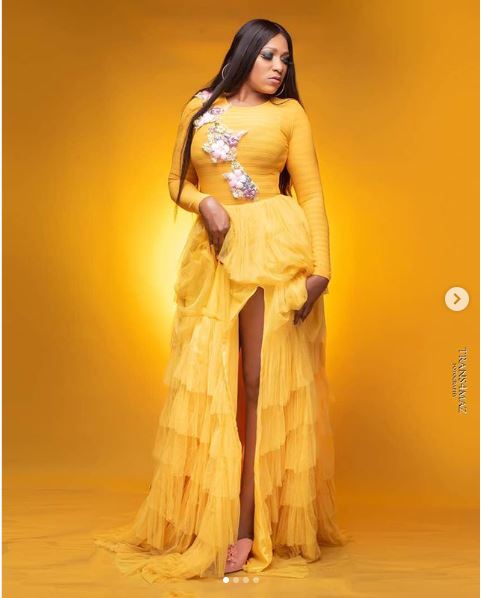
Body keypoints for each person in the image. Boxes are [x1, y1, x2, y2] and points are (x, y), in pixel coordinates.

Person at [93, 17, 350, 583]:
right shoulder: (199, 106)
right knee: (214, 381)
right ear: (245, 53)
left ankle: (246, 521)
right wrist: (205, 205)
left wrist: (322, 271)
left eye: (286, 59)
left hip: (273, 248)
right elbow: (175, 181)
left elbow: (311, 192)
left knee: (258, 380)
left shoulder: (289, 114)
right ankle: (205, 511)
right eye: (269, 56)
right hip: (215, 253)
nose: (279, 67)